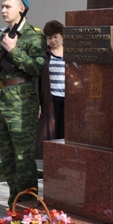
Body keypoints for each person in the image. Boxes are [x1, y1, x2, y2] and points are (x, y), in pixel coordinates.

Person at [0, 0, 46, 207]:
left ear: (22, 8)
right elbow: (0, 67)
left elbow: (37, 68)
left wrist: (14, 50)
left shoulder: (34, 35)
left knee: (23, 158)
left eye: (8, 6)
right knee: (7, 158)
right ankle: (13, 202)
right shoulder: (3, 35)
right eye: (2, 6)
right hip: (3, 102)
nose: (3, 10)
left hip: (22, 106)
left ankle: (27, 205)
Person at [36, 20, 64, 159]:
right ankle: (52, 162)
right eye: (49, 38)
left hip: (68, 99)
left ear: (62, 36)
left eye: (55, 37)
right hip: (51, 98)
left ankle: (64, 160)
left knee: (64, 133)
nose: (52, 41)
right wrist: (39, 103)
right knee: (50, 133)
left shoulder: (71, 53)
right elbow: (38, 79)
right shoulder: (45, 55)